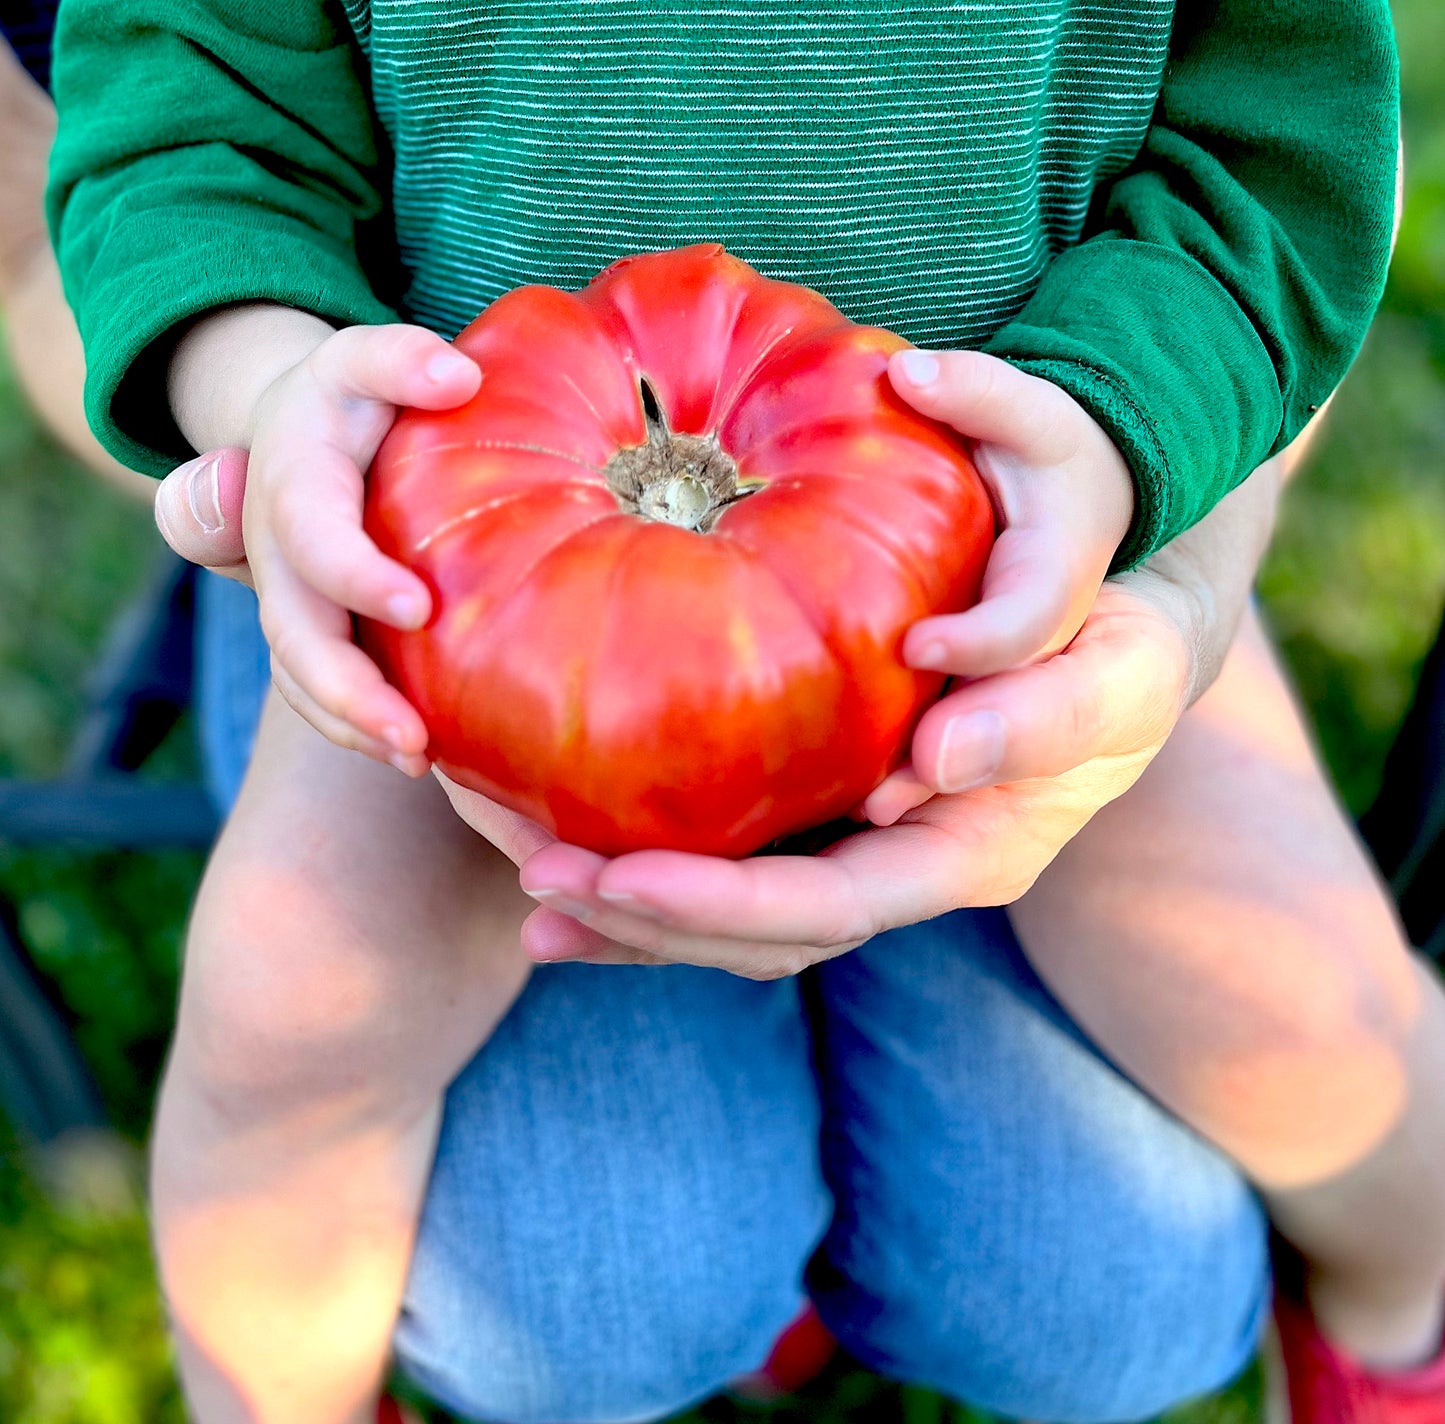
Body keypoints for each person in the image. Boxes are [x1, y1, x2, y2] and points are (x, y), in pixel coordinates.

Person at [44, 4, 1440, 1424]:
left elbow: (1272, 139)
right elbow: (191, 107)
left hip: (1040, 540)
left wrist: (1127, 433)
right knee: (293, 1020)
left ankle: (1398, 1328)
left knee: (1294, 1002)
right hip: (457, 565)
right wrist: (273, 387)